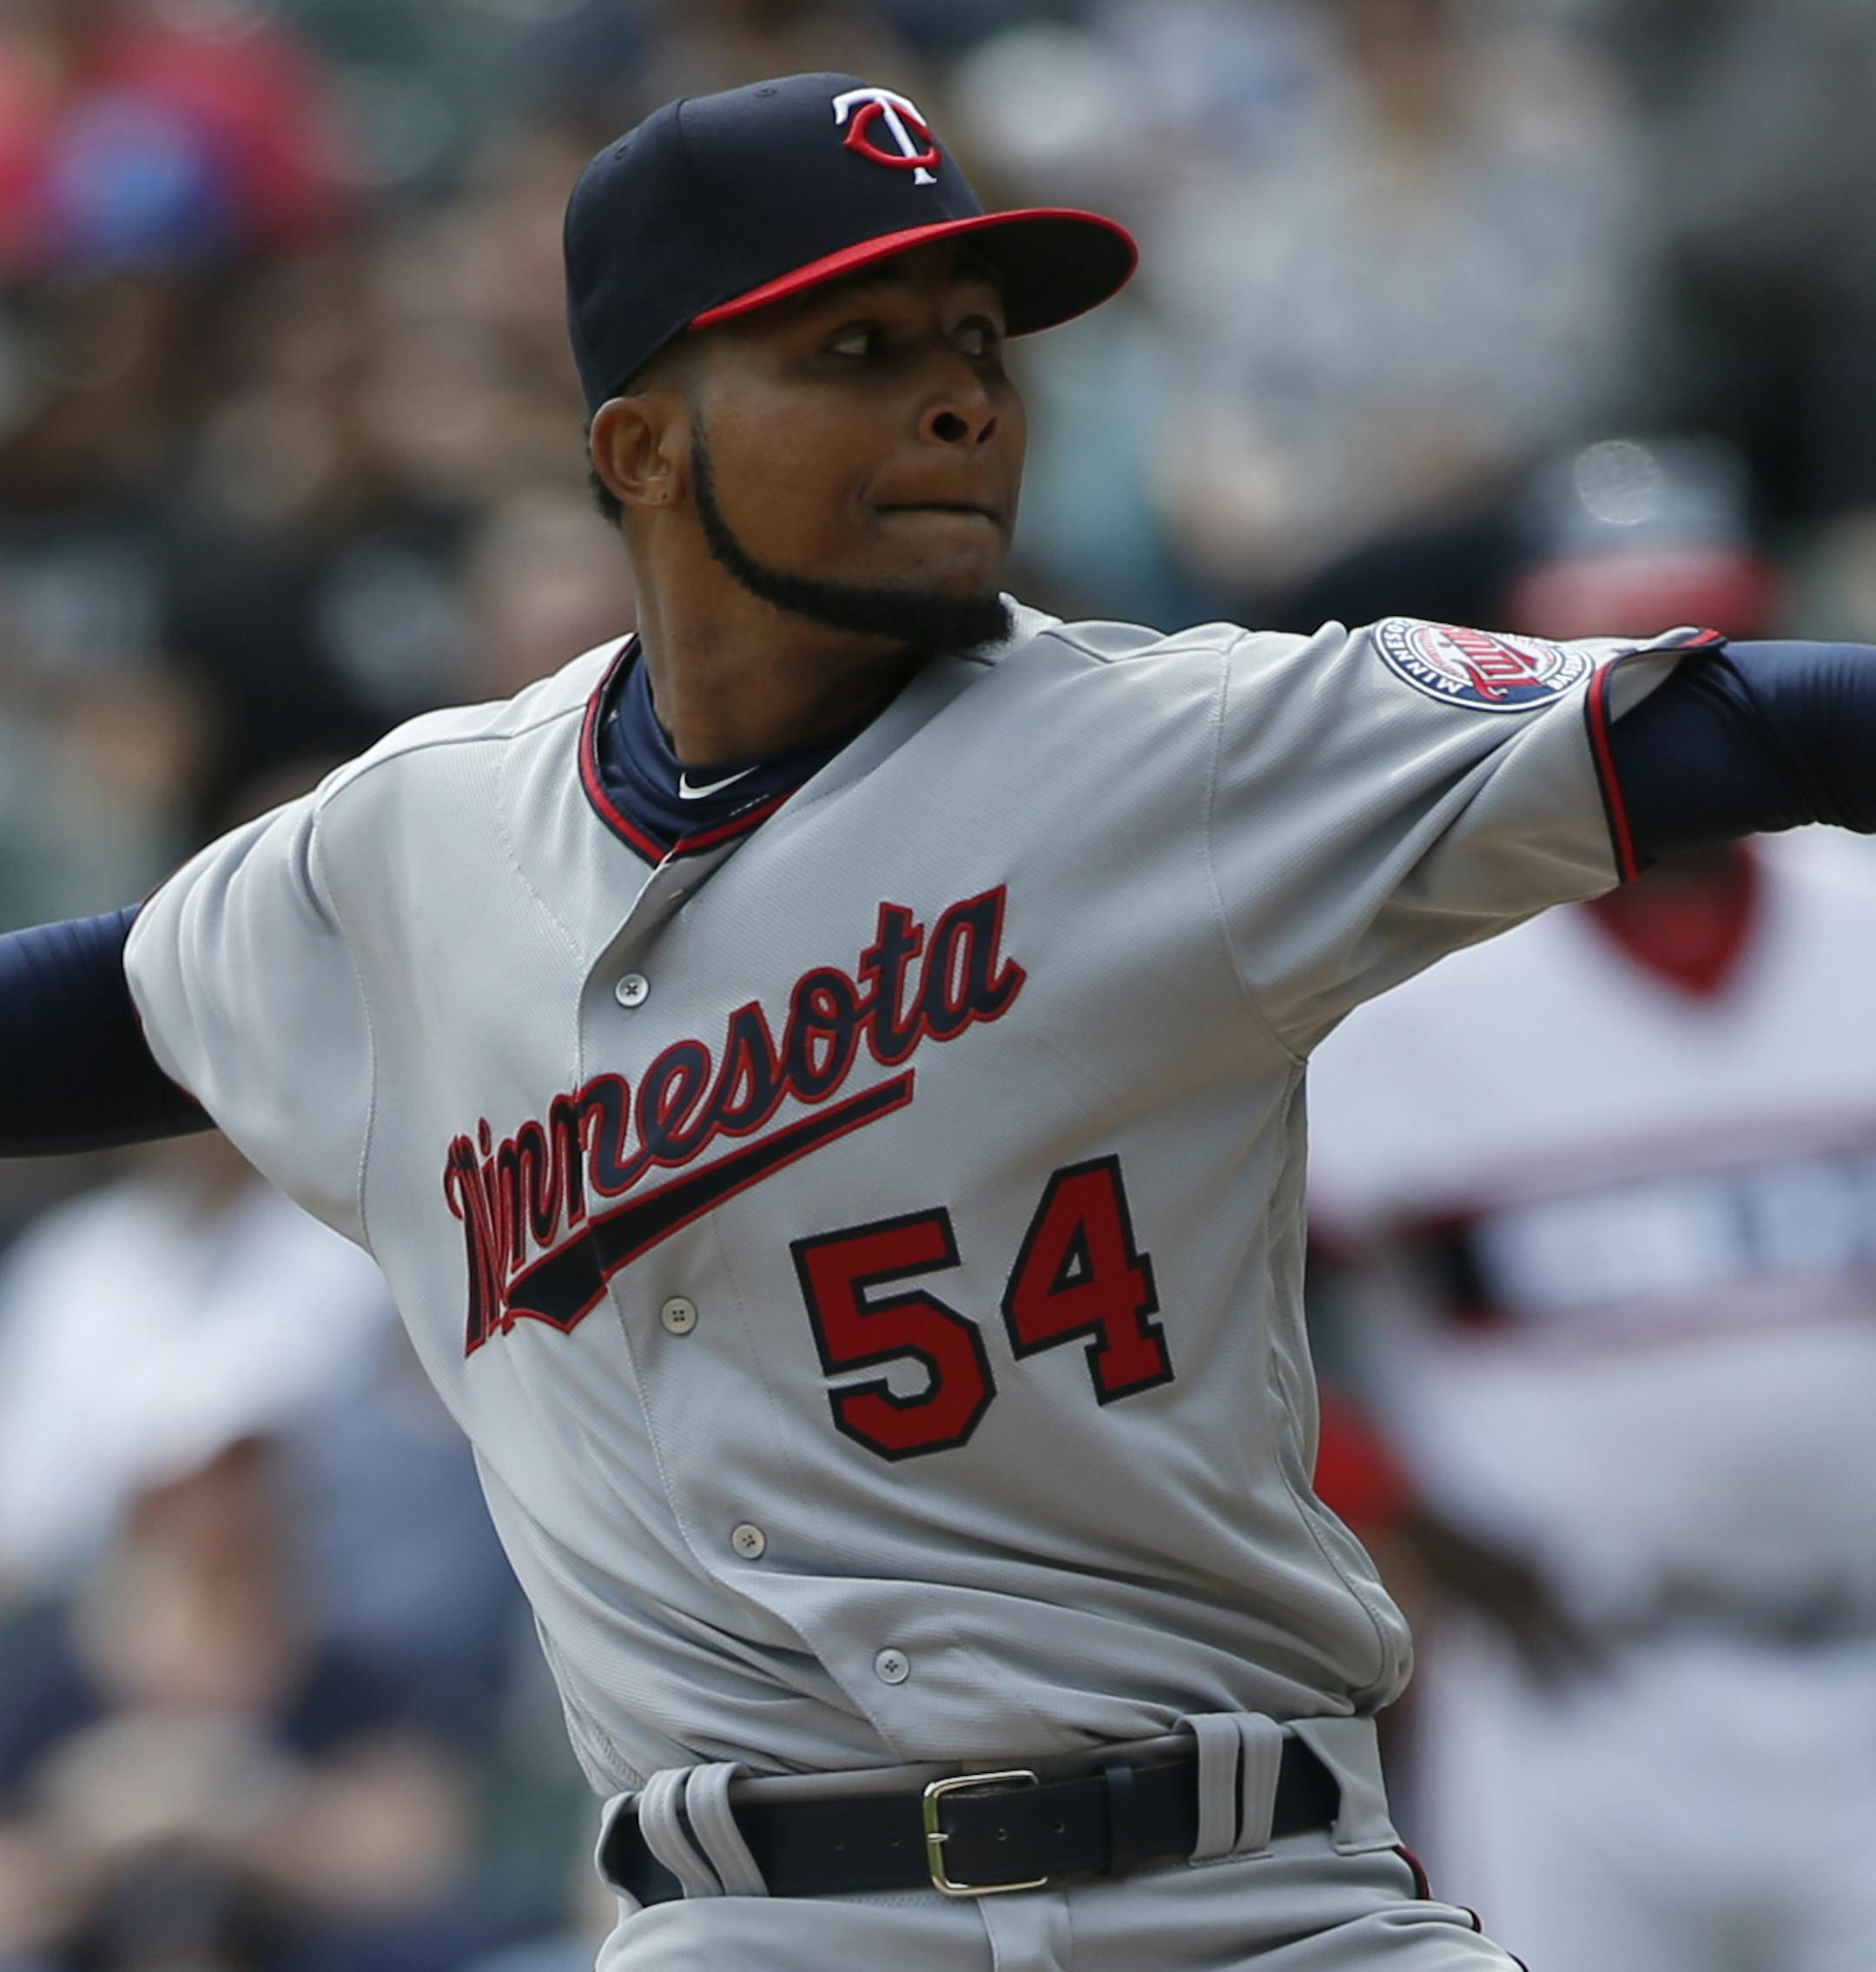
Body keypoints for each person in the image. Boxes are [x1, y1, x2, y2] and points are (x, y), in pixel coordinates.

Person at [4, 69, 1876, 1972]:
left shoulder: (1193, 751)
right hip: (752, 1925)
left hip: (1252, 1902)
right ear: (642, 446)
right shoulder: (412, 849)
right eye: (858, 345)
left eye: (982, 342)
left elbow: (1775, 723)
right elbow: (88, 1020)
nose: (964, 394)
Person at [1304, 834, 1876, 1972]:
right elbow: (1207, 1303)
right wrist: (1391, 1504)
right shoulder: (1425, 979)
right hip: (1573, 1681)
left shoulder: (1859, 921)